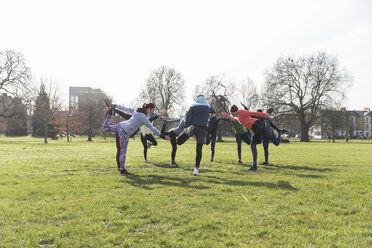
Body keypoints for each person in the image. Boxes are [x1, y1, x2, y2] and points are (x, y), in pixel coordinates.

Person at [102, 103, 170, 175]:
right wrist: (163, 136)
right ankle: (122, 170)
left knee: (105, 128)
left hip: (120, 126)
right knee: (123, 151)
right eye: (152, 110)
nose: (152, 112)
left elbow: (126, 109)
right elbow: (152, 128)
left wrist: (115, 106)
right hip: (125, 132)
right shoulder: (143, 117)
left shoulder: (137, 110)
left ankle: (109, 113)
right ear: (149, 109)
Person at [185, 95, 211, 175]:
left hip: (193, 127)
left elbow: (188, 117)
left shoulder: (193, 106)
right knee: (199, 149)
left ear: (197, 99)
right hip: (202, 129)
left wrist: (186, 127)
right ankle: (196, 168)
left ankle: (177, 141)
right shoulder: (208, 106)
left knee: (180, 141)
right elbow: (212, 111)